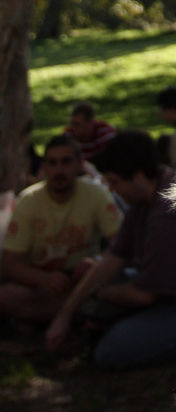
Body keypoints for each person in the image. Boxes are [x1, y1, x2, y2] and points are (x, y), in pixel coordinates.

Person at [46, 130, 176, 369]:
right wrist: (65, 314)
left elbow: (143, 295)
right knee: (98, 275)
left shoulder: (166, 215)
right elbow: (113, 258)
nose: (113, 191)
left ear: (138, 177)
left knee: (110, 351)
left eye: (115, 182)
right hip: (161, 291)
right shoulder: (144, 199)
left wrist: (100, 294)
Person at [0, 134, 121, 323]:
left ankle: (63, 314)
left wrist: (96, 261)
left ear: (79, 164)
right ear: (44, 167)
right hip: (40, 282)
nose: (59, 170)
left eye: (66, 162)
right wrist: (42, 279)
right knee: (7, 296)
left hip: (84, 279)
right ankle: (80, 314)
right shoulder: (29, 200)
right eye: (52, 163)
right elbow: (10, 263)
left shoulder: (96, 194)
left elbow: (122, 245)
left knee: (117, 287)